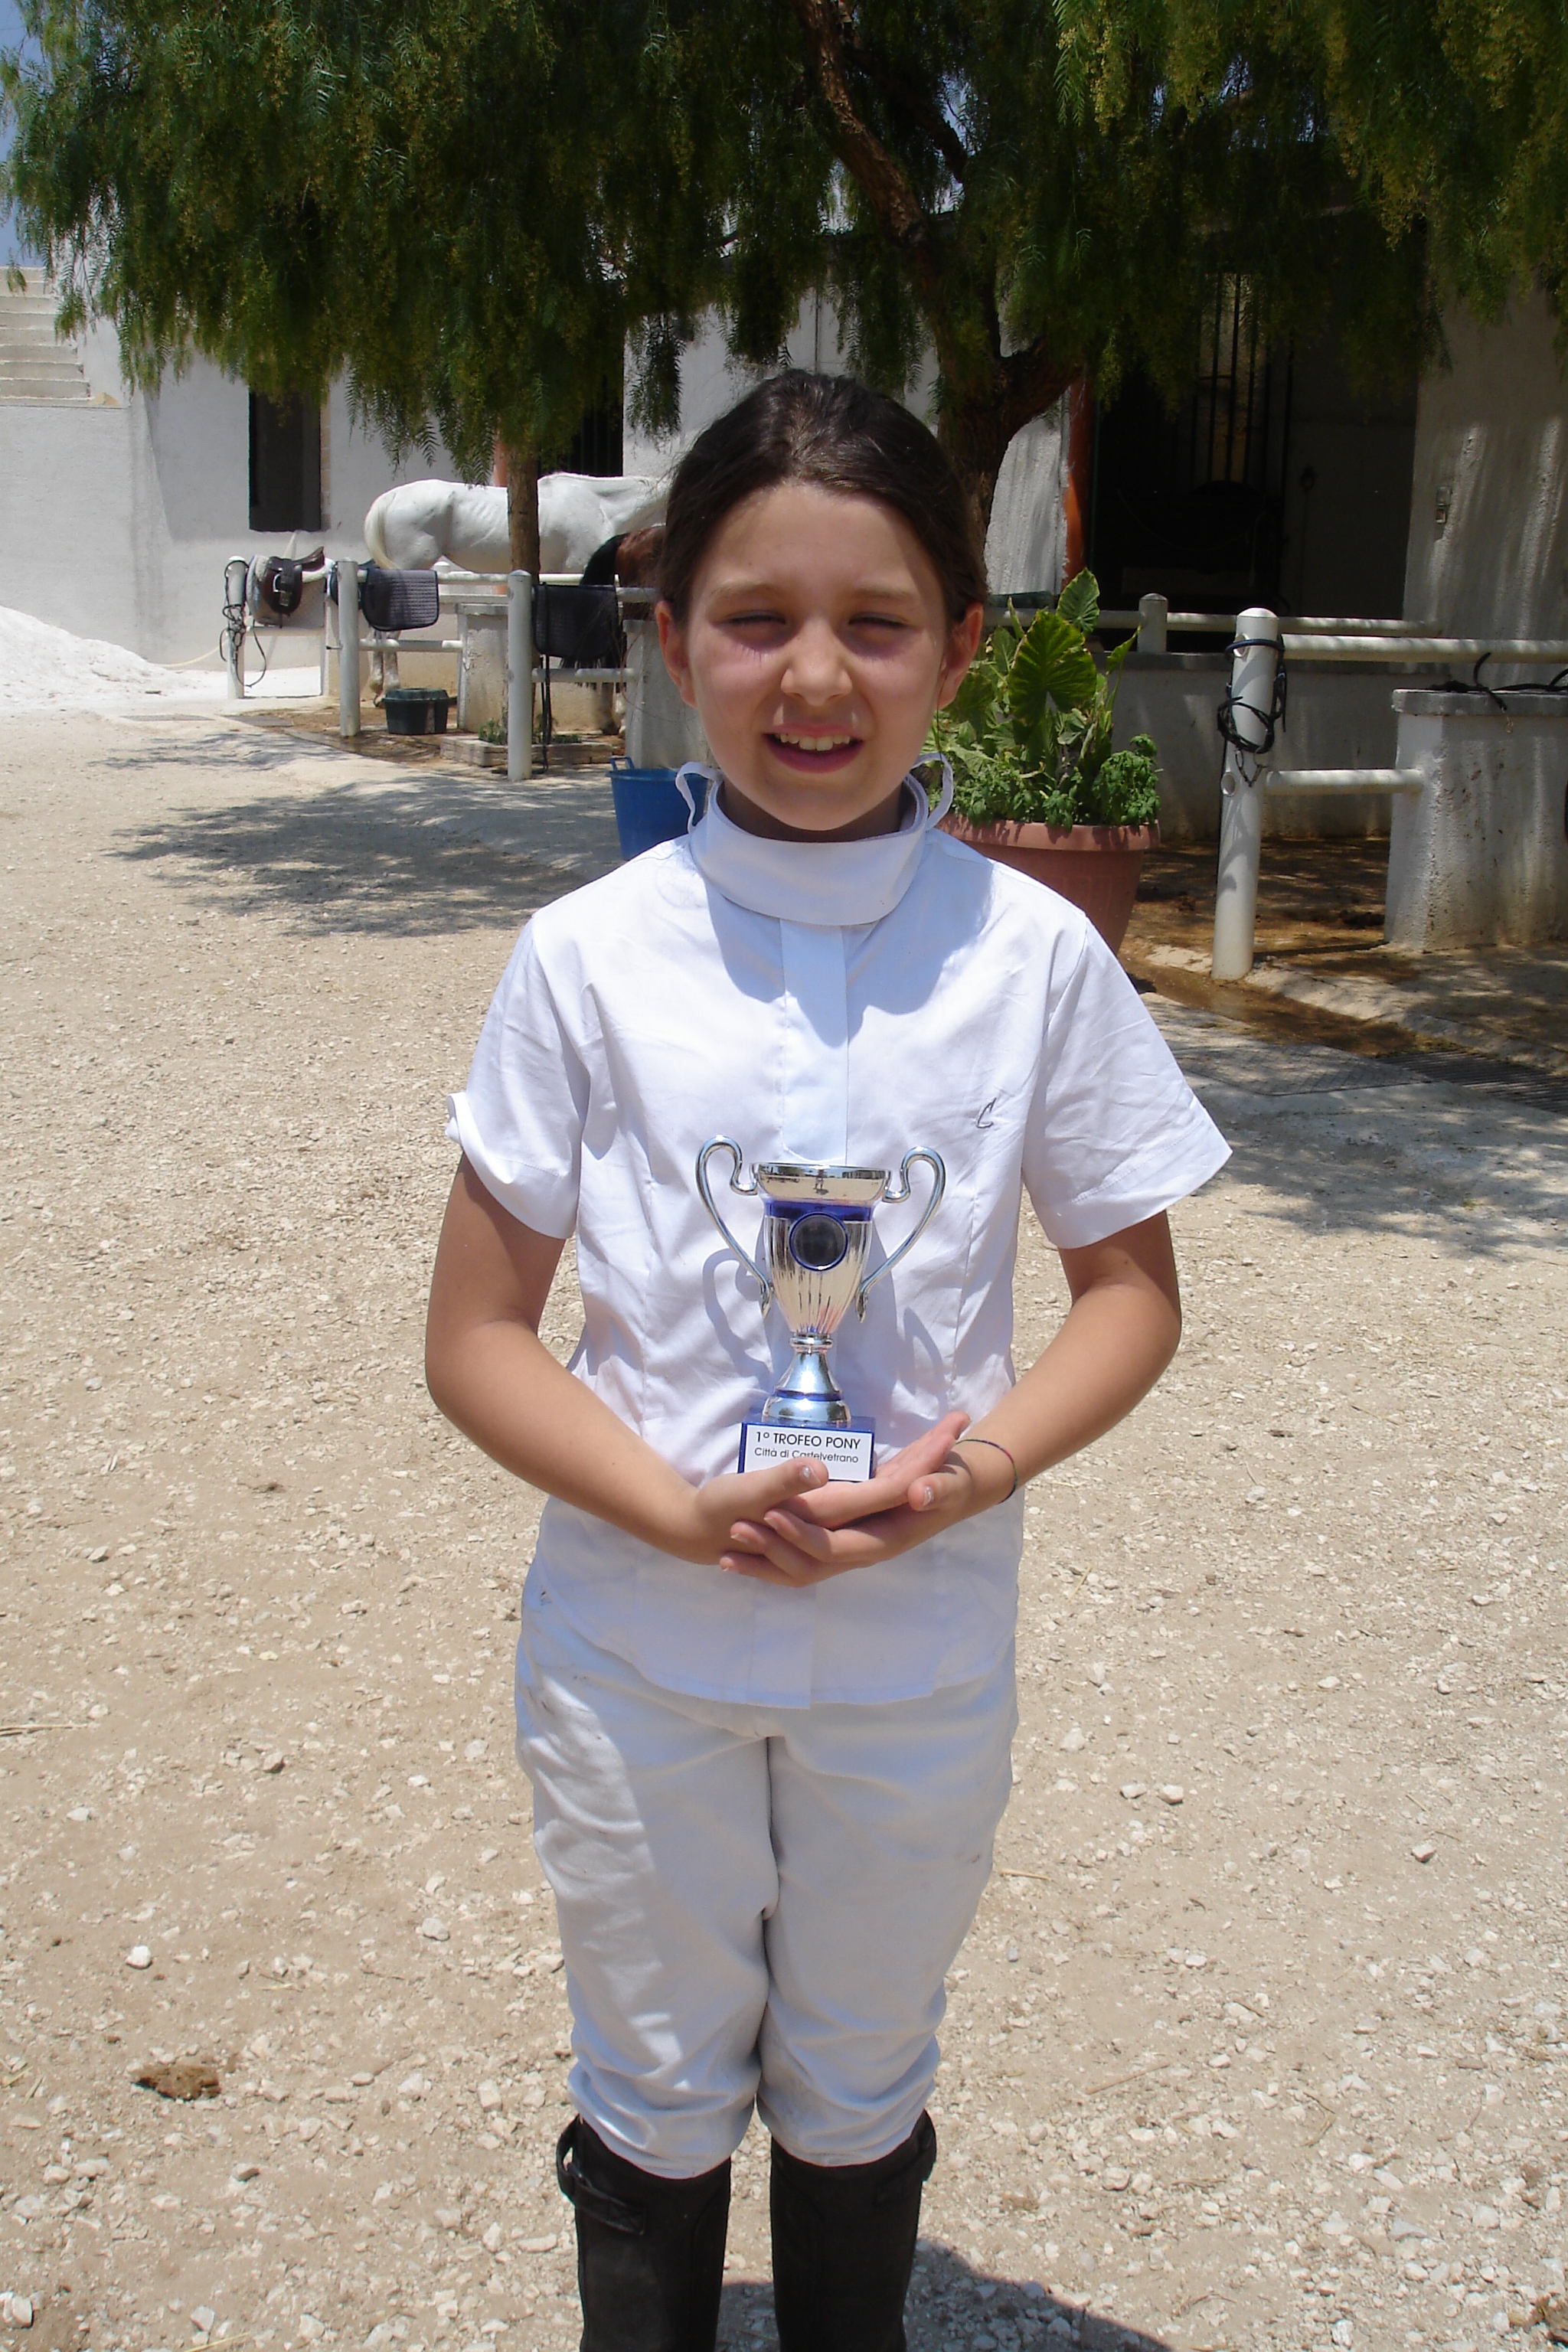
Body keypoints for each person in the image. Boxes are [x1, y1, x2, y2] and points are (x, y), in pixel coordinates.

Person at [424, 371, 1229, 2352]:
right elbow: (473, 1340)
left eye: (875, 625)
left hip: (917, 1656)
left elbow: (1131, 1291)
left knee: (863, 2084)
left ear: (960, 650)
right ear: (670, 627)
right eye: (754, 618)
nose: (813, 677)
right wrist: (672, 1506)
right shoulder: (590, 958)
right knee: (653, 2095)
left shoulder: (1036, 959)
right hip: (637, 1655)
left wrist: (963, 1476)